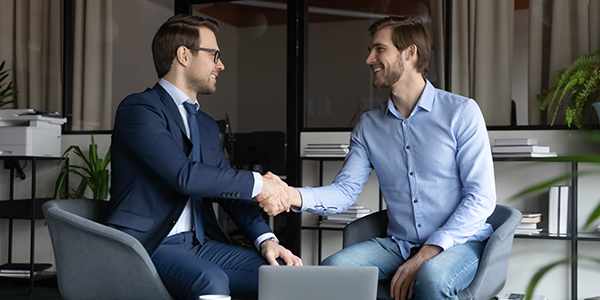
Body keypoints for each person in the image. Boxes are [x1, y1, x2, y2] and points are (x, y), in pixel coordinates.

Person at [260, 15, 496, 300]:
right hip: (400, 245)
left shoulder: (461, 113)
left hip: (459, 243)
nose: (369, 59)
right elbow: (345, 192)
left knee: (431, 277)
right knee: (332, 270)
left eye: (379, 49)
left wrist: (428, 253)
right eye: (370, 50)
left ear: (410, 53)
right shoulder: (368, 126)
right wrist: (289, 194)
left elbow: (481, 198)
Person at [106, 14, 301, 300]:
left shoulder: (208, 126)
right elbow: (183, 176)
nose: (220, 65)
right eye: (214, 55)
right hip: (150, 245)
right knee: (210, 281)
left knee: (283, 274)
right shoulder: (139, 110)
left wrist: (266, 239)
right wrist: (260, 183)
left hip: (200, 244)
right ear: (184, 55)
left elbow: (229, 193)